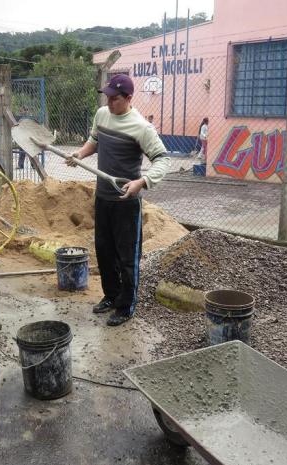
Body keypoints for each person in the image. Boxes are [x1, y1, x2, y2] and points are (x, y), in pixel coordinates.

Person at [67, 74, 171, 326]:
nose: (110, 102)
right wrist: (80, 154)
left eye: (115, 98)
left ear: (128, 99)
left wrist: (142, 182)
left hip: (126, 202)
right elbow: (95, 140)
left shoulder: (141, 127)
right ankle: (111, 296)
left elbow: (163, 159)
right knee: (104, 252)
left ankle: (126, 306)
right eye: (108, 97)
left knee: (127, 258)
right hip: (102, 198)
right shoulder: (102, 114)